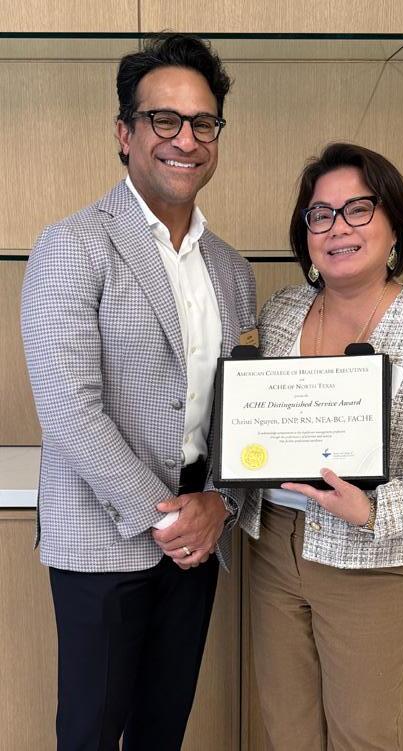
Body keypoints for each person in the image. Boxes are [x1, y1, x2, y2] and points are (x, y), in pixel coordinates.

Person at [21, 34, 256, 751]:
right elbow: (68, 406)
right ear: (125, 134)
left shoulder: (232, 268)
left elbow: (242, 408)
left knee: (163, 731)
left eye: (203, 122)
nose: (186, 139)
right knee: (89, 735)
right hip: (104, 536)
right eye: (165, 120)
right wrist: (167, 517)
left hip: (199, 538)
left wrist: (219, 503)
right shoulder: (72, 245)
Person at [239, 142, 403, 751]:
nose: (338, 228)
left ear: (394, 225)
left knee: (362, 736)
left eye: (358, 209)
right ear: (305, 233)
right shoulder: (281, 312)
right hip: (273, 543)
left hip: (370, 559)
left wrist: (375, 509)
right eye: (320, 214)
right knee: (287, 729)